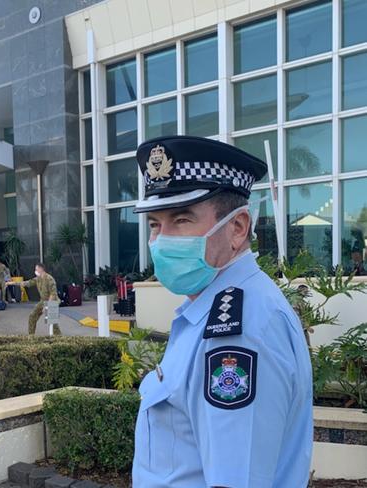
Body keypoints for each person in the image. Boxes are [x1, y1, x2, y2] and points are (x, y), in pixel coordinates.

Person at [131, 136, 312, 487]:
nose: (161, 239)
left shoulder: (238, 332)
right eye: (155, 223)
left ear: (238, 228)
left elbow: (237, 478)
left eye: (181, 220)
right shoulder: (208, 309)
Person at [7, 263, 61, 335]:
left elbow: (53, 294)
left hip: (53, 301)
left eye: (36, 269)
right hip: (43, 301)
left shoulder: (49, 279)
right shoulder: (37, 279)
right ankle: (31, 336)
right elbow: (27, 283)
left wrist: (47, 306)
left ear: (41, 269)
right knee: (32, 316)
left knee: (52, 322)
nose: (35, 271)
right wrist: (12, 283)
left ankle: (58, 337)